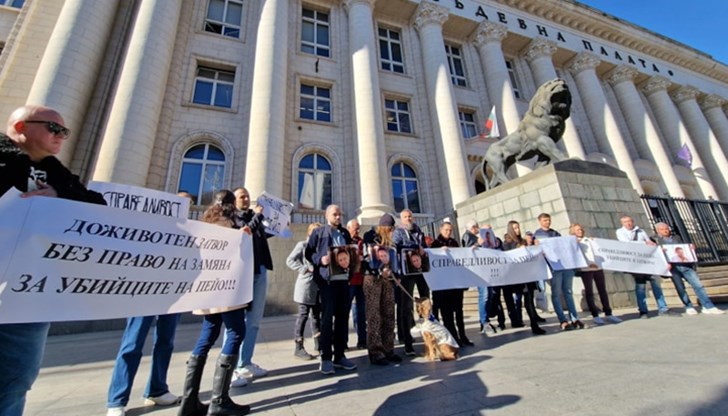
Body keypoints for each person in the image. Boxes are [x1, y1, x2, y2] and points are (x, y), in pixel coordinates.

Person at [0, 105, 106, 415]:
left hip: (26, 293)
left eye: (65, 132)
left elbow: (97, 204)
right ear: (21, 126)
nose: (61, 137)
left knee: (16, 381)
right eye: (53, 128)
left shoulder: (54, 171)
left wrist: (58, 196)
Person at [105, 191, 194, 415]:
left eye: (189, 203)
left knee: (166, 342)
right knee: (132, 344)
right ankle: (117, 401)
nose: (185, 205)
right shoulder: (149, 225)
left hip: (171, 294)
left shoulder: (191, 232)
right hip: (143, 294)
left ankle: (157, 389)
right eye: (181, 201)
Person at [178, 190, 250, 416]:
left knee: (207, 335)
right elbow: (234, 255)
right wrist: (243, 235)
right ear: (229, 205)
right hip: (226, 291)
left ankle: (189, 401)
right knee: (237, 331)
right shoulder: (228, 224)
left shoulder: (205, 222)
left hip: (207, 292)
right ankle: (219, 400)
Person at [305, 205, 357, 375]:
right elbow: (308, 253)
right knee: (327, 319)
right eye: (335, 214)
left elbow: (350, 252)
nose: (338, 217)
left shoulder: (345, 233)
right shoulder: (319, 233)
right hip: (327, 282)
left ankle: (340, 355)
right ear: (327, 216)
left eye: (339, 214)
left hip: (343, 281)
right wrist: (321, 260)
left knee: (342, 318)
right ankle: (326, 357)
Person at [230, 187, 272, 387]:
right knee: (235, 323)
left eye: (247, 196)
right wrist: (257, 216)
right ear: (234, 200)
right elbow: (246, 232)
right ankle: (231, 368)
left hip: (260, 268)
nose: (246, 199)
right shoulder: (233, 219)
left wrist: (278, 228)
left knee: (254, 320)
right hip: (242, 272)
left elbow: (258, 234)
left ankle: (245, 362)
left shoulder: (254, 217)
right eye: (242, 196)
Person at [652, 222, 724, 315]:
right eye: (662, 229)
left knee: (698, 285)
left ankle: (708, 306)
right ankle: (688, 306)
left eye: (667, 228)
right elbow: (653, 253)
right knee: (680, 288)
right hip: (673, 268)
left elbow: (684, 248)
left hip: (685, 265)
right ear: (657, 230)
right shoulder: (655, 240)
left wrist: (691, 248)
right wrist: (659, 251)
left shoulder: (676, 238)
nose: (666, 230)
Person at [362, 213, 402, 365]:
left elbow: (395, 259)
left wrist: (397, 275)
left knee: (389, 312)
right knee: (374, 315)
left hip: (388, 279)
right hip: (372, 278)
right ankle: (376, 351)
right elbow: (367, 258)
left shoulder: (392, 241)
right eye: (390, 228)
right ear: (383, 227)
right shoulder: (370, 236)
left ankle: (388, 348)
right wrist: (379, 271)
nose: (392, 231)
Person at [533, 213, 583, 330]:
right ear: (540, 221)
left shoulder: (555, 233)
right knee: (556, 294)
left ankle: (574, 318)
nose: (547, 222)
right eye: (545, 220)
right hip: (553, 268)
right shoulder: (538, 235)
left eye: (548, 220)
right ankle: (562, 320)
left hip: (564, 266)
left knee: (568, 292)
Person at [616, 215, 669, 318]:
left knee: (656, 284)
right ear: (622, 223)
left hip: (647, 261)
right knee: (640, 287)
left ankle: (663, 308)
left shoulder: (641, 231)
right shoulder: (620, 232)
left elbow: (649, 242)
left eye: (630, 221)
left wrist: (649, 244)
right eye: (625, 222)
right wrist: (644, 243)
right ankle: (643, 311)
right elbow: (627, 244)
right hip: (636, 262)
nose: (628, 223)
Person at [430, 222, 474, 346]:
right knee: (447, 314)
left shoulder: (454, 243)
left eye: (450, 230)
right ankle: (454, 338)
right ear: (440, 230)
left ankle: (463, 335)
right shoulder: (435, 244)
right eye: (446, 230)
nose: (448, 232)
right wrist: (439, 251)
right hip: (443, 286)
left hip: (455, 284)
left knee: (459, 312)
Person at [569, 223, 622, 325]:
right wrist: (589, 264)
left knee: (602, 290)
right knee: (589, 292)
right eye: (577, 230)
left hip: (597, 267)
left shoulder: (589, 240)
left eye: (581, 229)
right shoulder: (574, 243)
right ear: (573, 232)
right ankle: (595, 315)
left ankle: (608, 312)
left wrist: (594, 241)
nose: (580, 231)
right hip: (586, 269)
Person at [392, 209, 429, 356]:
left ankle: (429, 335)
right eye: (405, 217)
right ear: (401, 219)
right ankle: (407, 341)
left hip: (421, 271)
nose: (408, 219)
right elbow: (395, 248)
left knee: (425, 301)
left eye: (410, 216)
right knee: (406, 306)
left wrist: (423, 249)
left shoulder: (418, 231)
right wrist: (415, 247)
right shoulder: (398, 232)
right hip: (407, 273)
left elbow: (424, 248)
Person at [286, 222, 323, 360]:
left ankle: (318, 343)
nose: (317, 234)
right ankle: (299, 346)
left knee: (316, 316)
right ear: (309, 233)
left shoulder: (321, 248)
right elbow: (289, 260)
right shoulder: (302, 245)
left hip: (318, 286)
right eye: (314, 232)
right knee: (303, 316)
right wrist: (305, 269)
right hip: (305, 286)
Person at [502, 221, 545, 335]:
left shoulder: (523, 241)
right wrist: (518, 249)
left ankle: (534, 324)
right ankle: (516, 320)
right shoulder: (507, 243)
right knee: (517, 299)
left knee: (529, 299)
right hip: (516, 276)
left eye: (518, 228)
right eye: (515, 228)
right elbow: (507, 257)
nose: (517, 230)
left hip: (527, 274)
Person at [461, 220, 496, 334]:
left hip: (486, 268)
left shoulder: (479, 236)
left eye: (477, 226)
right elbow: (467, 252)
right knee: (484, 294)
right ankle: (484, 321)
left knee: (489, 294)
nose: (476, 228)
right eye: (474, 227)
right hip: (479, 271)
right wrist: (478, 244)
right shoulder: (467, 236)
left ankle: (485, 320)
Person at [346, 219, 367, 350]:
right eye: (355, 228)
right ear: (348, 228)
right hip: (349, 281)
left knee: (361, 311)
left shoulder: (361, 242)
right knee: (344, 311)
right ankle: (343, 342)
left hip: (361, 280)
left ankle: (362, 340)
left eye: (358, 228)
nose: (357, 230)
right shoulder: (345, 241)